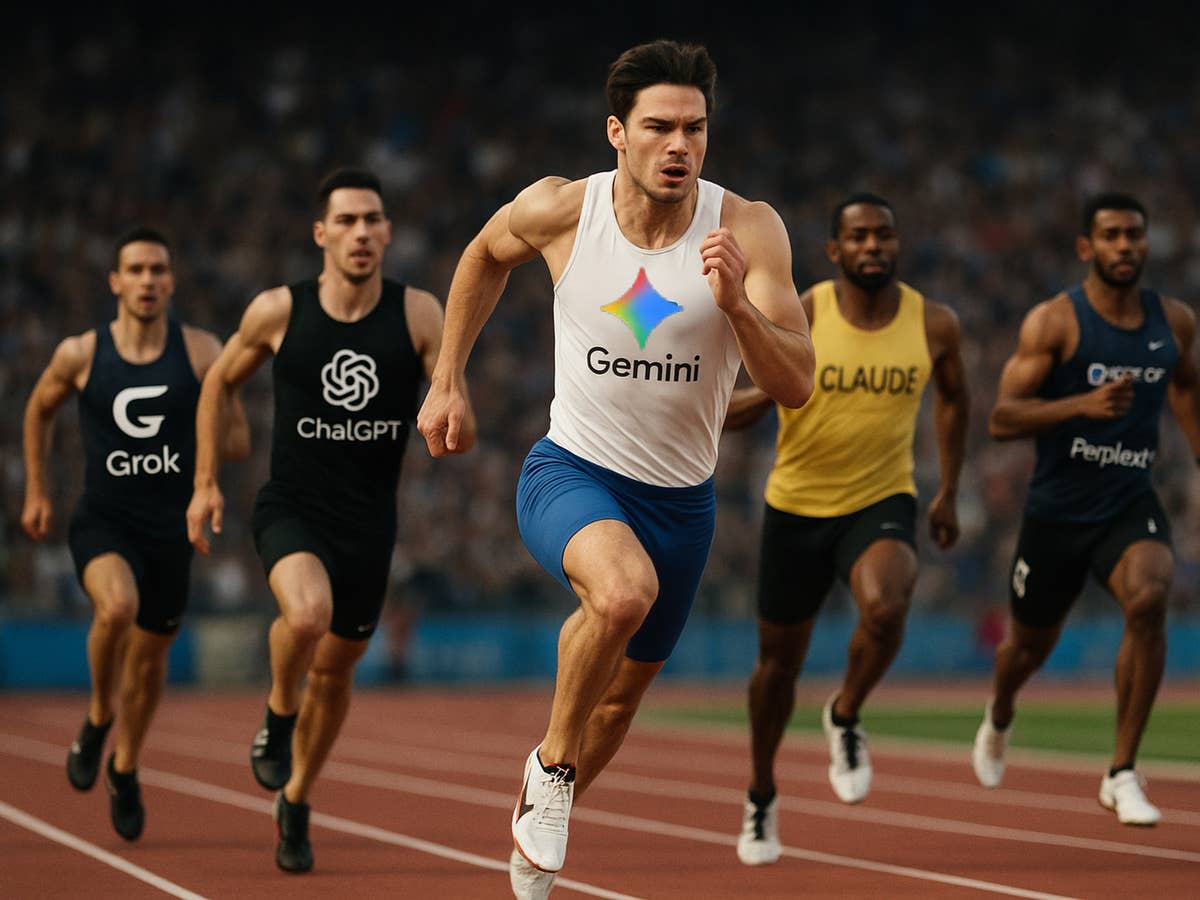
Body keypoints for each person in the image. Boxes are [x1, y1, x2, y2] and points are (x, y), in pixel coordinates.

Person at [416, 39, 814, 900]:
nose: (680, 145)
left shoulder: (748, 229)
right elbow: (483, 255)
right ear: (617, 133)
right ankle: (551, 768)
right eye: (660, 127)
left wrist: (737, 306)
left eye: (695, 129)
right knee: (622, 592)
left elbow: (796, 384)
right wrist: (447, 377)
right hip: (571, 472)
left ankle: (540, 811)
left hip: (682, 507)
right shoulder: (564, 210)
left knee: (621, 701)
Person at [186, 167, 467, 873]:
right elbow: (217, 381)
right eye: (346, 221)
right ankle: (279, 710)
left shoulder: (418, 314)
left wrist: (452, 410)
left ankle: (297, 799)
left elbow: (451, 401)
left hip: (369, 527)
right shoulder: (278, 311)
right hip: (292, 508)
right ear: (321, 234)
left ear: (388, 232)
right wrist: (205, 482)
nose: (360, 232)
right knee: (307, 615)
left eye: (372, 220)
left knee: (337, 675)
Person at [725, 193, 968, 865]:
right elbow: (763, 387)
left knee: (886, 608)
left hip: (880, 498)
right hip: (795, 507)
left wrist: (949, 489)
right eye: (858, 237)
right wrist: (702, 410)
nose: (872, 246)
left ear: (898, 243)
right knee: (777, 667)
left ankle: (846, 712)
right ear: (835, 251)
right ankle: (761, 792)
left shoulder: (935, 323)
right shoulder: (805, 311)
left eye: (883, 235)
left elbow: (955, 398)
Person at [972, 192, 1200, 826]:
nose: (1125, 245)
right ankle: (1001, 710)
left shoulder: (1174, 322)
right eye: (1111, 235)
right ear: (1086, 247)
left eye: (1134, 234)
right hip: (1056, 512)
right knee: (1026, 651)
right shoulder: (1054, 322)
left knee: (1150, 597)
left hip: (1129, 499)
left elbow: (1186, 389)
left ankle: (1122, 770)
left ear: (1146, 243)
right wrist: (1081, 405)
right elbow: (1002, 418)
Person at [21, 227, 249, 841]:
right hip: (104, 518)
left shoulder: (201, 351)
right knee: (116, 607)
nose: (148, 280)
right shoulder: (81, 353)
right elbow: (38, 409)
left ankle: (125, 766)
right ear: (116, 282)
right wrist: (37, 490)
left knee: (149, 664)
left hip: (172, 530)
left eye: (158, 270)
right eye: (137, 270)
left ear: (171, 282)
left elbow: (237, 442)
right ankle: (99, 715)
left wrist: (217, 416)